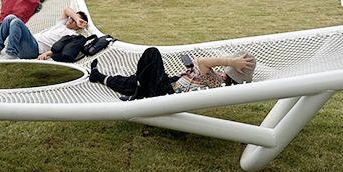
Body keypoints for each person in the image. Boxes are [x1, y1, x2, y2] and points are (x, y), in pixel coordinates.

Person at [89, 48, 256, 100]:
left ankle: (138, 95)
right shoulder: (218, 78)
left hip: (167, 94)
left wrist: (229, 62)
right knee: (134, 81)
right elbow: (200, 62)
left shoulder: (218, 83)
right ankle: (98, 76)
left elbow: (203, 62)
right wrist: (197, 64)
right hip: (172, 85)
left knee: (152, 54)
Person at [0, 6, 88, 61]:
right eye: (72, 17)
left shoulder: (72, 34)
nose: (71, 19)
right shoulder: (61, 24)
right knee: (10, 17)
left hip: (34, 50)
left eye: (75, 20)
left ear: (79, 25)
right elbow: (66, 9)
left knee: (16, 22)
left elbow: (60, 47)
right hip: (30, 42)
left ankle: (11, 53)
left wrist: (46, 54)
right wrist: (76, 18)